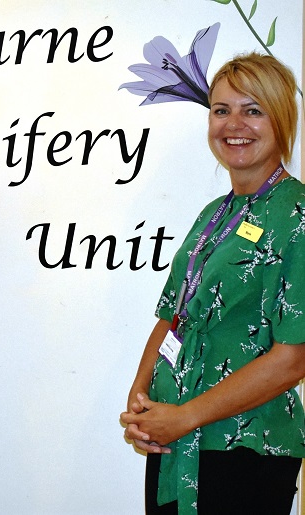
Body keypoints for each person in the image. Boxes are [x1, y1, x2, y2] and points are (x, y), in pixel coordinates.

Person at [120, 53, 305, 514]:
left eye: (252, 109)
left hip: (244, 449)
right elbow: (173, 317)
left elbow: (292, 358)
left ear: (280, 119)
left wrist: (183, 417)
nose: (233, 124)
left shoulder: (298, 216)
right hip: (178, 444)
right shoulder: (213, 216)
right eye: (221, 110)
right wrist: (142, 405)